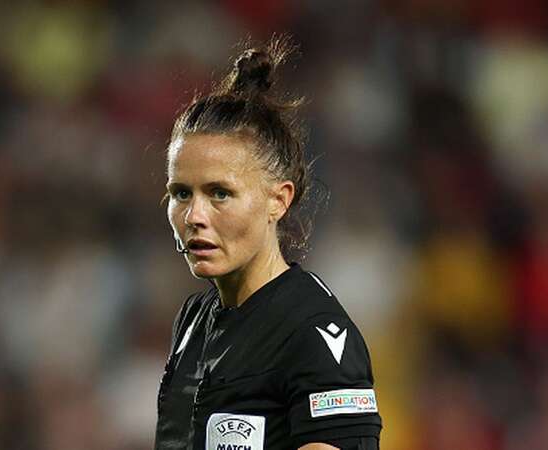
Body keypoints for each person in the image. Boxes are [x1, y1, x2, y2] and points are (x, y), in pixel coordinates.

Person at [154, 38, 382, 450]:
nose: (194, 216)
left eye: (220, 193)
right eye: (181, 193)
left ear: (278, 200)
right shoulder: (192, 321)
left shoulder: (315, 334)